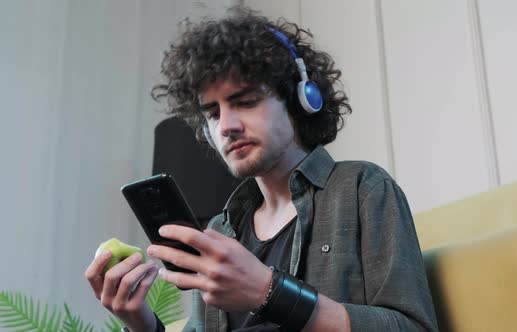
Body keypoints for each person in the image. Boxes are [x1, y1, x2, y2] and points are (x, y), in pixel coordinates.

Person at [85, 6, 438, 332]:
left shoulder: (362, 188)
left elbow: (413, 327)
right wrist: (141, 321)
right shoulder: (221, 229)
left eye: (246, 101)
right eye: (212, 113)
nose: (226, 126)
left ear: (301, 99)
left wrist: (269, 293)